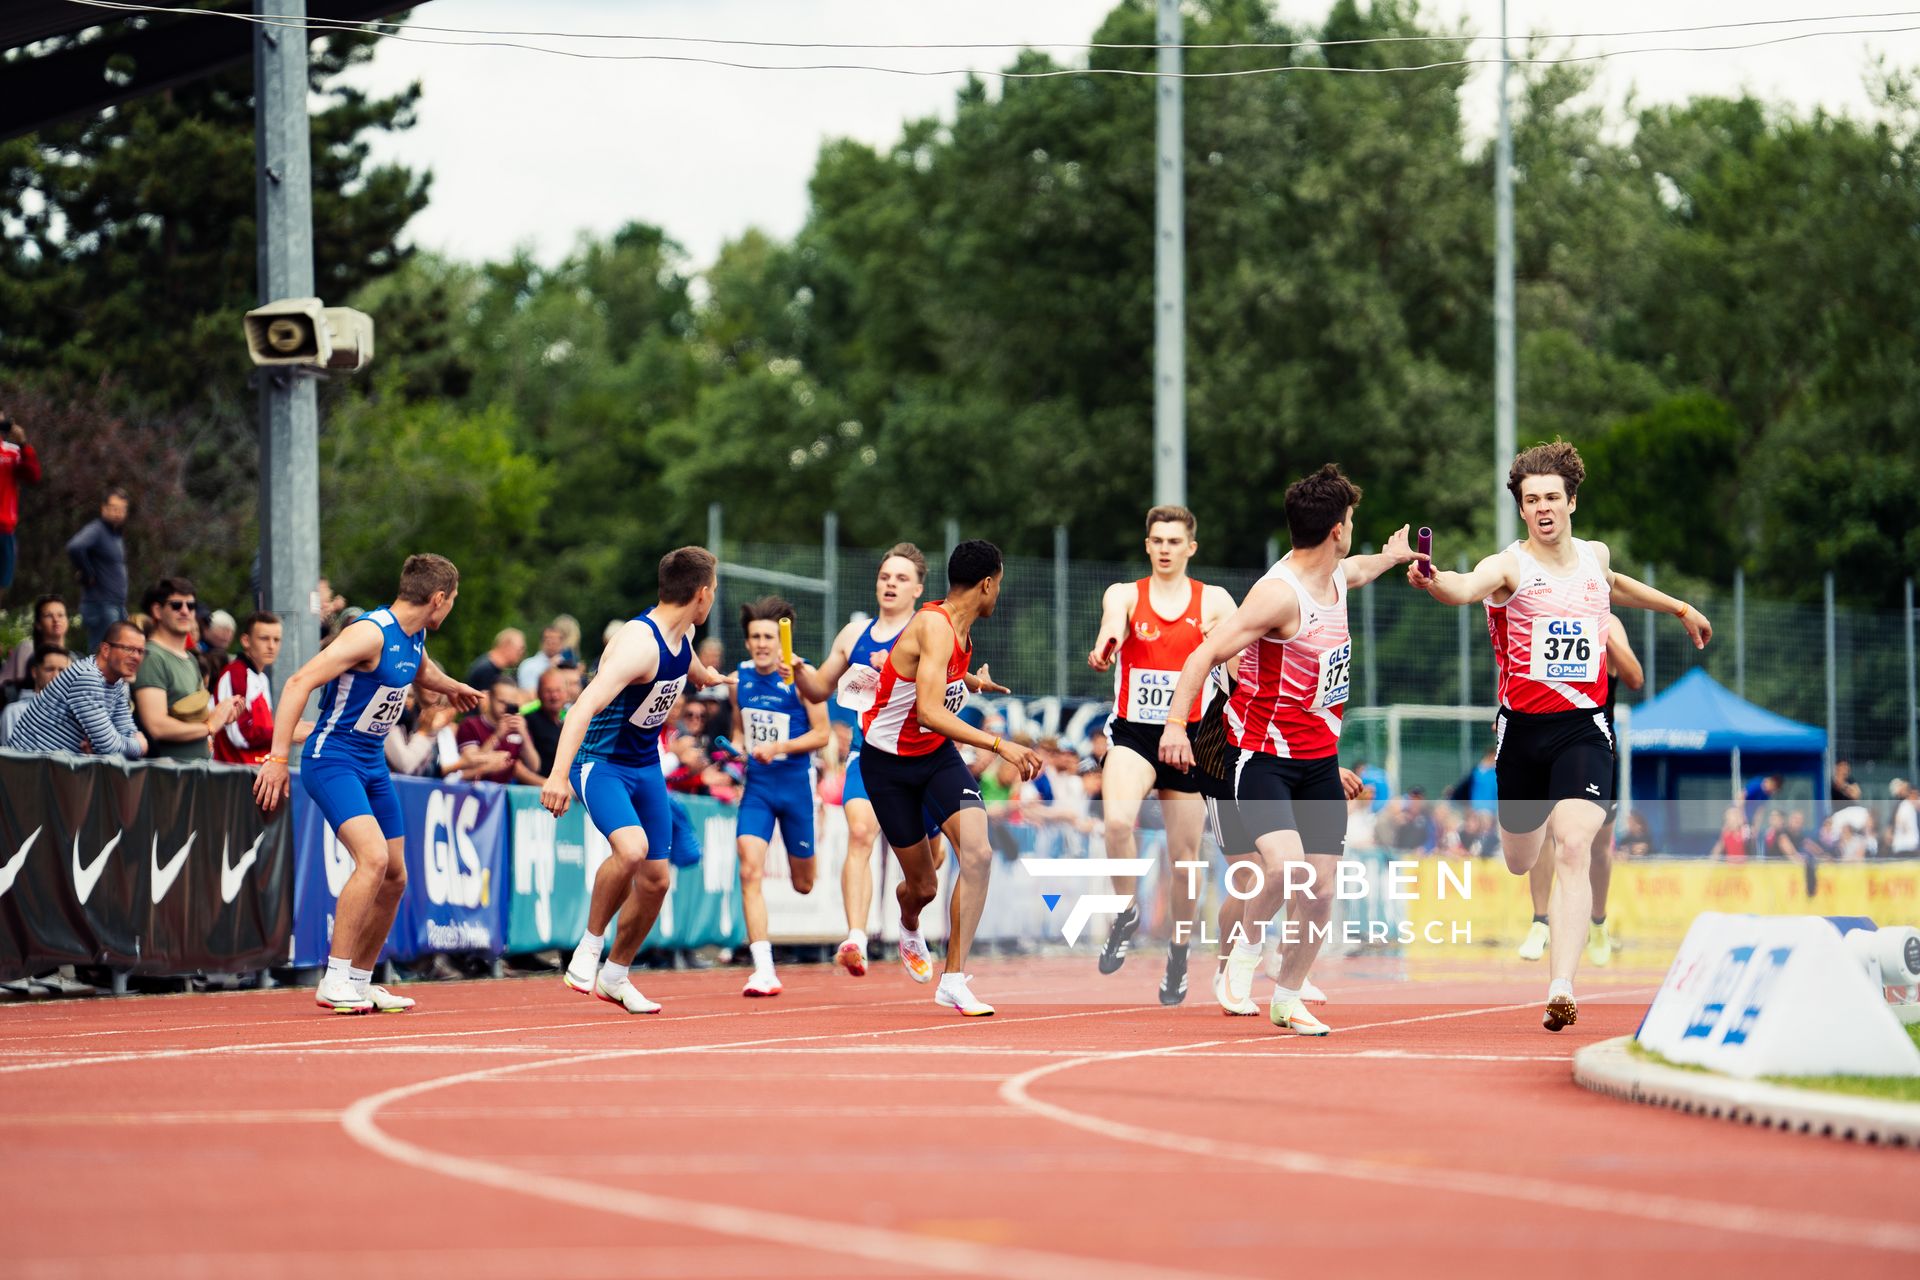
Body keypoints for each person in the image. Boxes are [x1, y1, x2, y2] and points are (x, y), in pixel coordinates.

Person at [1407, 440, 1711, 1031]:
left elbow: (1614, 582)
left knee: (1575, 845)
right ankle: (1534, 836)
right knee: (1522, 860)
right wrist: (1433, 579)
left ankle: (1561, 987)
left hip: (1583, 729)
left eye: (1551, 497)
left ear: (1571, 501)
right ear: (1521, 509)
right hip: (1521, 735)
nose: (1542, 507)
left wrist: (1678, 608)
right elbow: (1463, 588)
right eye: (1531, 500)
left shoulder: (1594, 555)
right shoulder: (1509, 566)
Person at [1163, 465, 1405, 1035]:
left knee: (1321, 894)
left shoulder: (1337, 576)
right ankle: (1244, 957)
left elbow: (1361, 569)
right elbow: (1201, 656)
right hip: (1262, 758)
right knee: (1288, 869)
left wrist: (1395, 556)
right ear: (1338, 530)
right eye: (1351, 522)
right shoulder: (1278, 595)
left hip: (1320, 761)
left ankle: (1288, 995)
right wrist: (1176, 726)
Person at [253, 554, 480, 1014]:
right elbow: (298, 682)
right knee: (372, 858)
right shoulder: (370, 633)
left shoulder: (414, 637)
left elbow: (421, 672)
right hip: (332, 760)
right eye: (452, 601)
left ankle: (360, 979)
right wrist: (279, 759)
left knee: (395, 876)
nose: (450, 609)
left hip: (372, 764)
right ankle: (333, 977)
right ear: (438, 598)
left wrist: (452, 684)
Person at [542, 548, 733, 1015]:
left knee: (656, 882)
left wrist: (715, 678)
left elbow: (689, 666)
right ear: (703, 594)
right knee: (630, 849)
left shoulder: (682, 632)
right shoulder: (637, 644)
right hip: (602, 764)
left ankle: (617, 975)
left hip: (645, 767)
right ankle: (589, 947)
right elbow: (582, 707)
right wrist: (558, 775)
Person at [846, 541, 1034, 1015]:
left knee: (979, 853)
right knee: (923, 887)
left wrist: (970, 682)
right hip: (887, 766)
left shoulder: (962, 630)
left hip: (936, 759)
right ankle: (909, 923)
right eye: (1000, 585)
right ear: (988, 583)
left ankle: (953, 978)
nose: (999, 595)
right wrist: (999, 743)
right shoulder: (935, 624)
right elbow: (928, 711)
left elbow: (929, 680)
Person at [1084, 504, 1237, 1004]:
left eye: (1175, 541)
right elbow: (1113, 625)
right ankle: (1126, 911)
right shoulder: (1126, 594)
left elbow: (1238, 660)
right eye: (1158, 541)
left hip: (1190, 741)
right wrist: (1107, 646)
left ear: (1191, 547)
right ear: (1147, 545)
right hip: (1135, 733)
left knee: (1184, 859)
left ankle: (1178, 953)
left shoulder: (1213, 601)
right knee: (1116, 823)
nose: (1166, 549)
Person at [790, 543, 935, 977]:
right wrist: (797, 668)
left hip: (920, 759)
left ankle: (909, 921)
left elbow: (947, 686)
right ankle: (856, 935)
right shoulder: (853, 636)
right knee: (859, 832)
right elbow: (817, 689)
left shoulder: (929, 630)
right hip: (868, 756)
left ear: (918, 590)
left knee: (928, 874)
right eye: (885, 576)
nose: (890, 584)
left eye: (901, 578)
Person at [1517, 613, 1642, 967]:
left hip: (1594, 748)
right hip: (1546, 743)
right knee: (1542, 834)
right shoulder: (1538, 608)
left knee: (1598, 848)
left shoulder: (1610, 622)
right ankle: (1540, 920)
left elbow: (1634, 677)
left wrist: (1604, 635)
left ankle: (1598, 922)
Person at [731, 598, 831, 996]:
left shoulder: (800, 675)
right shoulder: (740, 679)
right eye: (754, 637)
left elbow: (822, 734)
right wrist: (737, 748)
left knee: (803, 883)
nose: (761, 644)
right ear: (747, 642)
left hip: (794, 788)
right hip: (757, 788)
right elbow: (740, 730)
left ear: (780, 640)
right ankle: (764, 969)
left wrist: (780, 748)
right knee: (748, 869)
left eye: (768, 637)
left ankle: (806, 858)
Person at [132, 577, 241, 761]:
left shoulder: (190, 658)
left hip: (194, 774)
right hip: (166, 778)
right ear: (157, 610)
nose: (185, 611)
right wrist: (209, 726)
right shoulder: (152, 657)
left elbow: (196, 718)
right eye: (176, 605)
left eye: (191, 606)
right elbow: (156, 726)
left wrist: (222, 714)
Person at [9, 620, 147, 758]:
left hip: (55, 768)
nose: (136, 657)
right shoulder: (87, 677)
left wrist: (113, 745)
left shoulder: (118, 684)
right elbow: (109, 745)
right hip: (28, 767)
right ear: (106, 650)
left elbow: (125, 733)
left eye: (141, 651)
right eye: (128, 649)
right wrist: (139, 746)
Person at [213, 611, 312, 766]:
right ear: (246, 640)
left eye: (277, 640)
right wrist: (287, 733)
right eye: (264, 638)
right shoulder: (236, 674)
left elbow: (260, 729)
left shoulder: (261, 678)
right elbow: (241, 735)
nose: (271, 646)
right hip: (236, 776)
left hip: (256, 772)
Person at [66, 489, 129, 643]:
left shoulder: (115, 534)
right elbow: (75, 547)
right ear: (104, 508)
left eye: (122, 509)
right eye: (114, 508)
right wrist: (88, 574)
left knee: (117, 654)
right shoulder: (97, 529)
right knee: (101, 656)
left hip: (116, 604)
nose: (118, 513)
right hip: (101, 604)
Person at [454, 678, 540, 785]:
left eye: (511, 704)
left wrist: (524, 733)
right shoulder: (470, 725)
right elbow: (470, 764)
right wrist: (497, 735)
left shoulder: (517, 729)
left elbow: (534, 766)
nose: (506, 707)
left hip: (502, 796)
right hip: (473, 793)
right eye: (501, 701)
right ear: (489, 697)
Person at [0, 410, 41, 609]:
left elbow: (33, 474)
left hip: (5, 528)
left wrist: (23, 443)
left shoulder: (12, 452)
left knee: (2, 583)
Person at [0, 644, 71, 746]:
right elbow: (11, 757)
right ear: (34, 672)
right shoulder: (15, 712)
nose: (56, 676)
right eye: (49, 669)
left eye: (62, 670)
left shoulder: (76, 713)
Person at [2, 594, 71, 693]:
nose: (56, 620)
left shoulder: (75, 657)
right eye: (48, 616)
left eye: (60, 615)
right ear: (38, 624)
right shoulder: (27, 649)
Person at [522, 666, 570, 778]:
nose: (554, 696)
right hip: (535, 789)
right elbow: (516, 765)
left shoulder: (569, 721)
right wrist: (542, 784)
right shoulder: (528, 721)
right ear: (538, 694)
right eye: (548, 691)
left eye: (558, 690)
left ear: (566, 693)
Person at [465, 628, 526, 694]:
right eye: (520, 649)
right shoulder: (487, 670)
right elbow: (484, 701)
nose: (521, 654)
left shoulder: (490, 665)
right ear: (506, 646)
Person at [516, 622, 568, 691]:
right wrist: (550, 669)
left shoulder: (568, 665)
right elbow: (529, 694)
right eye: (549, 640)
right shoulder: (528, 665)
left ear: (562, 643)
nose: (553, 644)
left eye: (556, 641)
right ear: (542, 642)